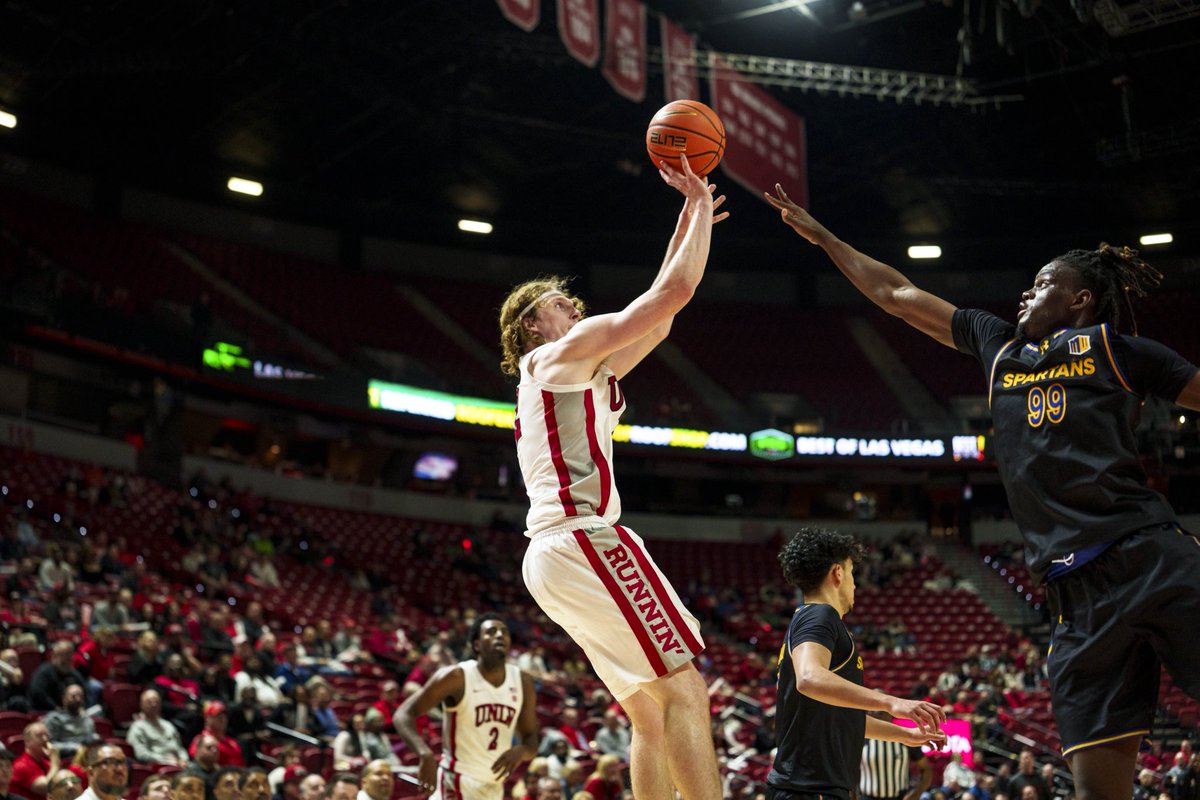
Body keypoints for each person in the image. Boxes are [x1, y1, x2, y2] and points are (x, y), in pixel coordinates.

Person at [767, 186, 1200, 800]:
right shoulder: (996, 344)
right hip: (1074, 595)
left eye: (1043, 283)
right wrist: (825, 239)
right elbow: (896, 295)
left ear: (1081, 298)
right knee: (1097, 789)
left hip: (1149, 556)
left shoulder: (1120, 350)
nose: (1026, 292)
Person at [497, 153, 728, 800]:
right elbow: (671, 295)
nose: (570, 303)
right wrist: (703, 209)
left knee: (650, 713)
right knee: (684, 686)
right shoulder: (553, 355)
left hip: (550, 554)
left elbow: (665, 312)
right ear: (530, 327)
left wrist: (690, 213)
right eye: (555, 302)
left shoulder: (580, 375)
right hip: (583, 537)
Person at [767, 528, 945, 799]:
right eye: (852, 573)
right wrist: (891, 702)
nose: (855, 584)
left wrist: (903, 736)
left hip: (809, 788)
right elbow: (809, 678)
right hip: (810, 789)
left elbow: (840, 718)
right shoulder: (820, 615)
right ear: (838, 573)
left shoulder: (809, 619)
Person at [396, 614, 539, 800]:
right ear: (477, 645)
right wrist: (424, 753)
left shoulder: (523, 682)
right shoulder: (457, 677)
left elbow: (531, 740)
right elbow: (403, 714)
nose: (499, 635)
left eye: (504, 632)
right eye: (491, 632)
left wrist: (521, 751)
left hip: (494, 786)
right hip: (456, 781)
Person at [858, 712, 933, 800]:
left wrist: (917, 793)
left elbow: (926, 769)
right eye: (873, 709)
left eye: (881, 711)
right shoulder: (860, 739)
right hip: (867, 797)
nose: (877, 712)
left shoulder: (904, 737)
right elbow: (849, 770)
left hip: (899, 797)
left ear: (890, 713)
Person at [128, 689, 188, 766]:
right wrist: (167, 761)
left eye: (157, 702)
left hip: (177, 765)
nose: (154, 704)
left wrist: (183, 759)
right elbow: (141, 754)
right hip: (157, 766)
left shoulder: (168, 725)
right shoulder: (137, 727)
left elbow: (180, 748)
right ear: (141, 705)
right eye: (149, 702)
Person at [42, 685, 99, 761]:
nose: (78, 699)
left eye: (81, 696)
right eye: (73, 696)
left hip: (87, 757)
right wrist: (74, 747)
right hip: (64, 758)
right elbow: (49, 744)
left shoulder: (87, 719)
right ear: (64, 699)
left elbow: (91, 738)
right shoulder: (54, 718)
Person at [29, 643, 85, 713]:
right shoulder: (43, 673)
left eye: (70, 655)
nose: (68, 658)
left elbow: (83, 693)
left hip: (72, 714)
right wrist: (56, 708)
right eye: (65, 654)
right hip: (47, 713)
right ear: (54, 656)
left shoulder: (75, 675)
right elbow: (38, 694)